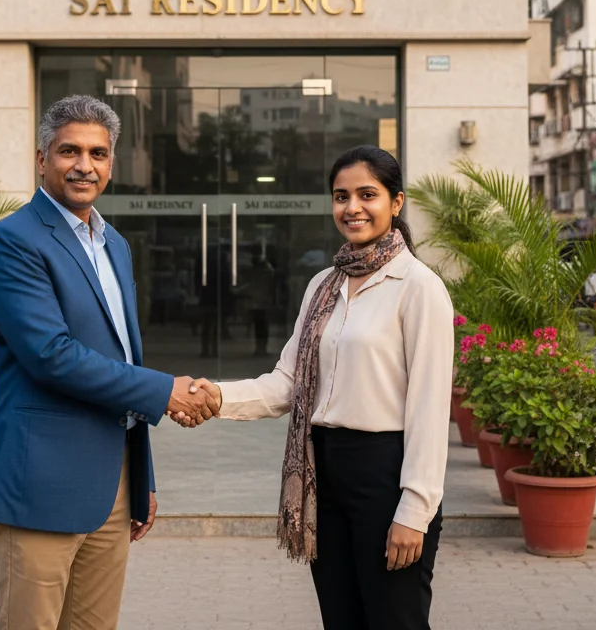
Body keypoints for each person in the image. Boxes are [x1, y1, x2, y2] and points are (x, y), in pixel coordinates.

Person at [177, 145, 453, 630]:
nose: (352, 207)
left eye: (368, 194)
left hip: (384, 474)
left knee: (396, 620)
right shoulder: (324, 285)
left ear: (397, 201)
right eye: (341, 196)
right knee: (341, 620)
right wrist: (215, 397)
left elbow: (430, 407)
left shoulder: (418, 287)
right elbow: (286, 383)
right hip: (324, 474)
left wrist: (415, 508)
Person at [0, 95, 219, 630]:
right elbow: (51, 356)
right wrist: (164, 392)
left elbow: (121, 355)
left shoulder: (115, 246)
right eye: (70, 151)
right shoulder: (13, 241)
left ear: (111, 163)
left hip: (113, 483)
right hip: (40, 483)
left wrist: (141, 476)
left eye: (99, 154)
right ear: (42, 159)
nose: (85, 165)